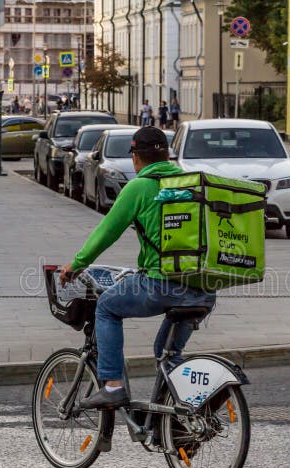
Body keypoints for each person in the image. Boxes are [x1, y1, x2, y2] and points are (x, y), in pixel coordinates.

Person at [59, 127, 216, 409]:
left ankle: (112, 385)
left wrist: (77, 264)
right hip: (204, 289)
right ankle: (185, 416)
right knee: (167, 353)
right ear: (167, 154)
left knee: (106, 306)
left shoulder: (139, 187)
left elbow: (107, 233)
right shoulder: (190, 182)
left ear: (136, 158)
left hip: (162, 285)